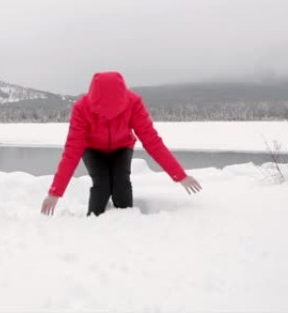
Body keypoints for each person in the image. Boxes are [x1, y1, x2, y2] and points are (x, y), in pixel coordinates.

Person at [40, 71, 202, 216]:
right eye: (103, 113)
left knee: (121, 185)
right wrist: (56, 192)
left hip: (122, 147)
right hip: (92, 148)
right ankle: (93, 225)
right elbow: (72, 152)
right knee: (101, 185)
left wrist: (180, 175)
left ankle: (126, 225)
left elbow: (153, 143)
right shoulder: (82, 108)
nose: (109, 117)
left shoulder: (133, 103)